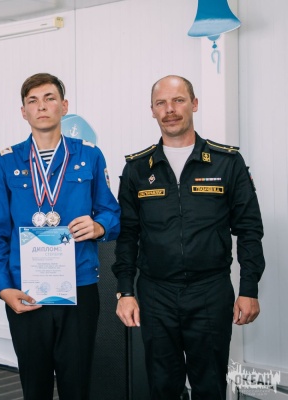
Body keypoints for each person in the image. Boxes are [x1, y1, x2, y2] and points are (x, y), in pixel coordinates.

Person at [112, 75, 265, 399]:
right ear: (152, 110)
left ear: (194, 104)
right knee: (162, 386)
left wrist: (249, 289)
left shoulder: (227, 162)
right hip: (156, 294)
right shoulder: (138, 169)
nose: (170, 109)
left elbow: (249, 230)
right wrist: (125, 291)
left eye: (178, 100)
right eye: (161, 103)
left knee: (210, 386)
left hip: (210, 292)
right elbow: (127, 235)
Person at [0, 73, 120, 399]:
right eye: (33, 101)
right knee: (35, 386)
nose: (42, 106)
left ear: (64, 105)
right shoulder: (5, 162)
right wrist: (3, 288)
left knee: (77, 385)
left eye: (49, 98)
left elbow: (112, 213)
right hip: (25, 292)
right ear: (24, 112)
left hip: (78, 288)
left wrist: (99, 227)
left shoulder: (90, 155)